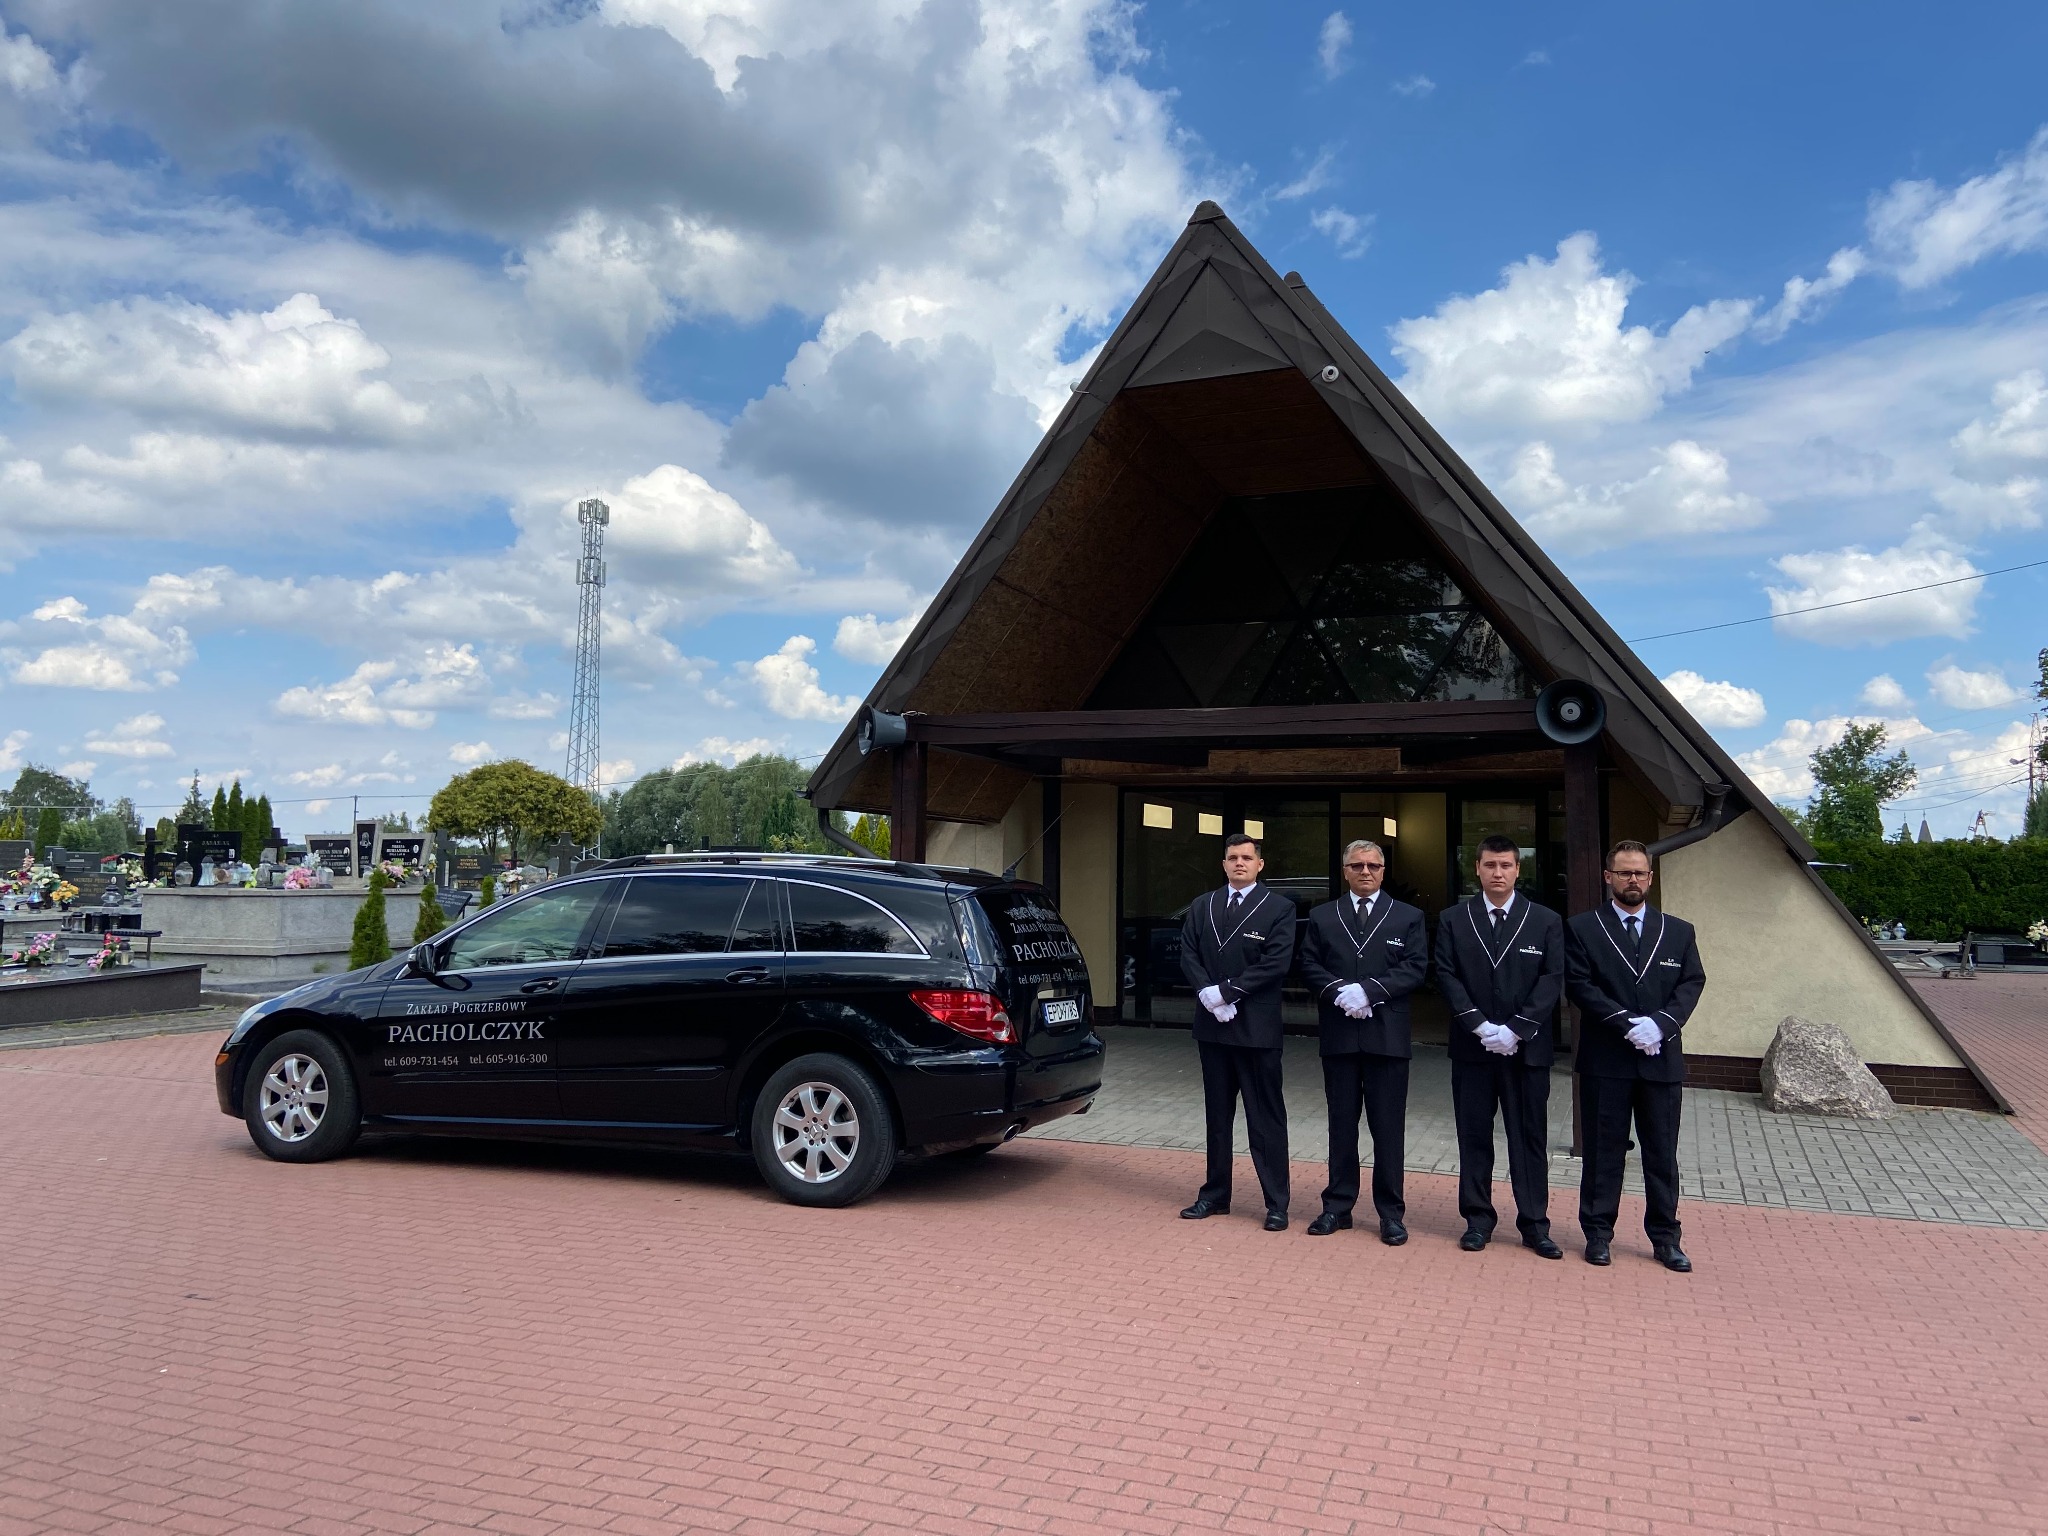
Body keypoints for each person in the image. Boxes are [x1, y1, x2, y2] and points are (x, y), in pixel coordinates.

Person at [1564, 840, 1707, 1272]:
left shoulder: (1678, 931)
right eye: (1624, 872)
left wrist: (1662, 1023)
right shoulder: (1583, 928)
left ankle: (1665, 1238)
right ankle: (1597, 1234)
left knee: (1661, 1155)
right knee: (1602, 1153)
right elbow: (1580, 985)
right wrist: (1626, 1024)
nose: (1632, 880)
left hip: (1660, 1061)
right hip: (1606, 1061)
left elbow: (1692, 982)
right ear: (1608, 877)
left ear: (1650, 877)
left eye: (1639, 873)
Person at [1434, 834, 1566, 1258]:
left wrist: (1517, 1029)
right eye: (1490, 865)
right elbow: (1446, 975)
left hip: (1527, 1052)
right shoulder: (1454, 919)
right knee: (1474, 1136)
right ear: (1477, 868)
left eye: (1506, 865)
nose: (1498, 873)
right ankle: (1477, 1221)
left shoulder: (1545, 920)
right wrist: (1478, 1025)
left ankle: (1535, 1224)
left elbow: (1552, 979)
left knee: (1529, 1139)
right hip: (1472, 1050)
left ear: (1517, 869)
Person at [1297, 839, 1430, 1244]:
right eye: (1357, 865)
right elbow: (1308, 963)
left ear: (1383, 871)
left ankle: (1391, 1213)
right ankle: (1337, 1207)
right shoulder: (1323, 915)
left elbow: (1416, 967)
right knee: (1341, 1125)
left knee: (1387, 1128)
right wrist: (1340, 992)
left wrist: (1369, 991)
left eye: (1373, 865)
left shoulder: (1407, 916)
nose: (1365, 871)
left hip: (1386, 1037)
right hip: (1339, 1035)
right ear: (1346, 871)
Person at [1179, 831, 1297, 1230]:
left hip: (1256, 1029)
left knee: (1265, 1118)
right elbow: (1189, 953)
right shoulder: (1203, 904)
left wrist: (1228, 992)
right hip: (1212, 1027)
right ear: (1224, 864)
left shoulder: (1279, 908)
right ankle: (1215, 1195)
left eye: (1247, 858)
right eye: (1233, 858)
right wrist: (1208, 994)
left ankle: (1276, 1202)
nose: (1239, 863)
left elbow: (1275, 963)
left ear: (1260, 864)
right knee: (1217, 1116)